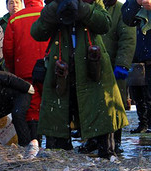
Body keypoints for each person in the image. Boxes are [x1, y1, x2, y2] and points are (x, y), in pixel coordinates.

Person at [30, 0, 128, 159]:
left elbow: (105, 24)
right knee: (58, 120)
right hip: (62, 73)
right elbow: (37, 33)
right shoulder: (53, 5)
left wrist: (82, 9)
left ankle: (107, 157)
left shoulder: (92, 2)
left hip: (92, 71)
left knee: (102, 114)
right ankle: (60, 164)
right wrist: (56, 8)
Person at [79, 0, 136, 154]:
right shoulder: (93, 5)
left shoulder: (120, 9)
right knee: (93, 104)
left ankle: (116, 141)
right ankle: (93, 139)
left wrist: (123, 64)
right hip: (93, 65)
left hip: (113, 66)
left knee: (114, 107)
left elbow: (128, 38)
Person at [3, 0, 48, 146]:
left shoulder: (15, 18)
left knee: (32, 110)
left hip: (25, 71)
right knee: (53, 106)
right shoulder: (49, 13)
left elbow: (8, 50)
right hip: (50, 69)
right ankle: (55, 145)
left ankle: (34, 145)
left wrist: (13, 70)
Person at [122, 0, 151, 133]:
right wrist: (137, 3)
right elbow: (127, 18)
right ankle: (144, 123)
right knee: (137, 91)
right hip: (139, 53)